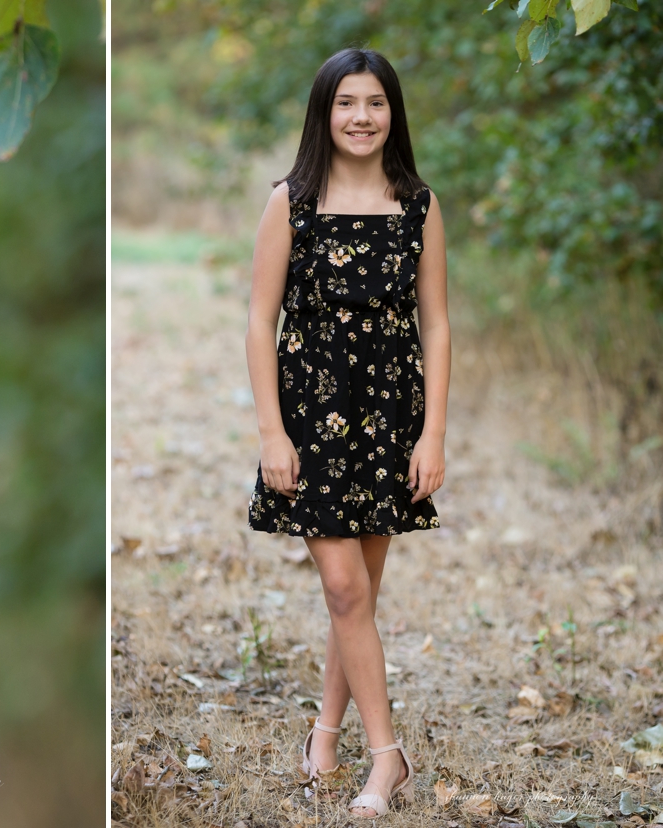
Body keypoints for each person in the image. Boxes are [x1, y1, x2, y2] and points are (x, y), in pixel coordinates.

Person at [244, 48, 449, 819]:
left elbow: (437, 324)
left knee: (355, 594)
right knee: (341, 586)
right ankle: (386, 758)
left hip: (391, 417)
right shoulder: (290, 202)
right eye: (346, 104)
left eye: (375, 104)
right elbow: (260, 321)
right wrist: (272, 432)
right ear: (323, 114)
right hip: (311, 419)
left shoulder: (419, 206)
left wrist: (432, 435)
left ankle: (323, 733)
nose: (361, 118)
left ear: (393, 113)